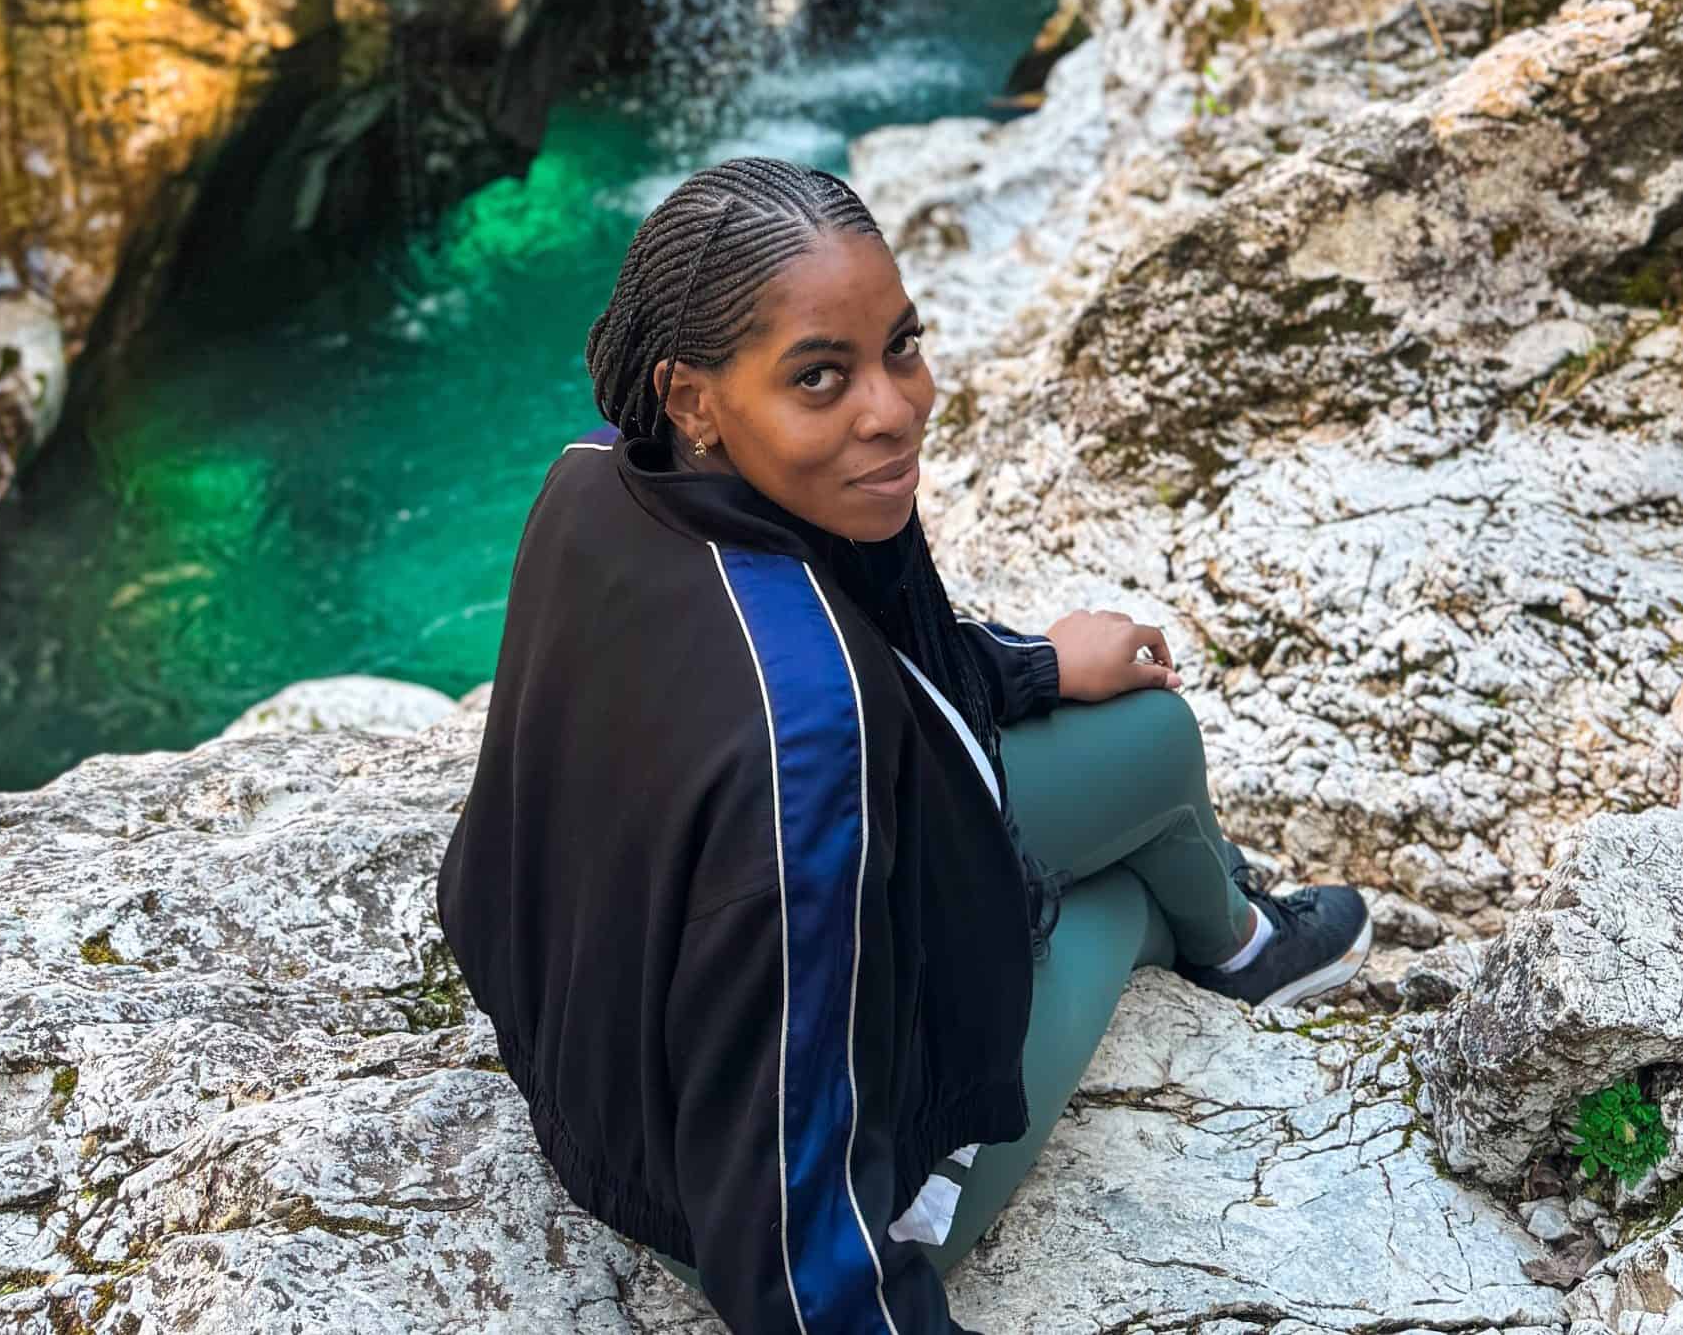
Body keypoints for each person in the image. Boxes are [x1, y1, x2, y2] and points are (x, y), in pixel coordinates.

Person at [436, 156, 1372, 1333]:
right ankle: (1183, 928)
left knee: (1146, 728)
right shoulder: (809, 731)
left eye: (901, 346)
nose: (894, 408)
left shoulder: (600, 474)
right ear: (693, 397)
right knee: (1122, 890)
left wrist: (1031, 665)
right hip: (734, 1206)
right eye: (819, 377)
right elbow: (786, 1231)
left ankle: (1235, 939)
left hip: (603, 1051)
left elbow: (881, 668)